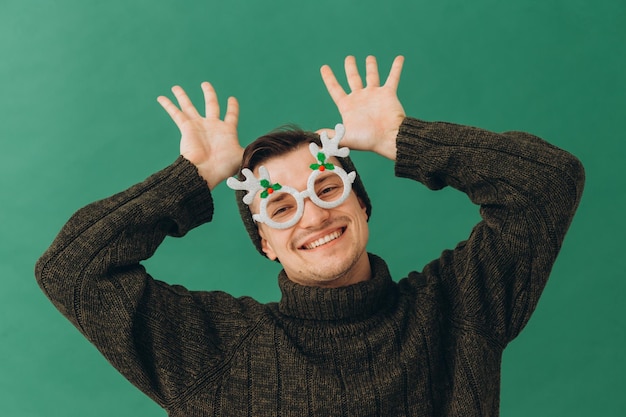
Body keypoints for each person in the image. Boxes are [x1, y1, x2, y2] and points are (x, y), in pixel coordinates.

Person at [35, 55, 585, 416]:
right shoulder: (216, 350)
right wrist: (193, 176)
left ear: (361, 203)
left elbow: (548, 183)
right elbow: (71, 270)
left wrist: (400, 138)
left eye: (326, 188)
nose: (313, 216)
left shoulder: (460, 306)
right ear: (265, 242)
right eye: (279, 206)